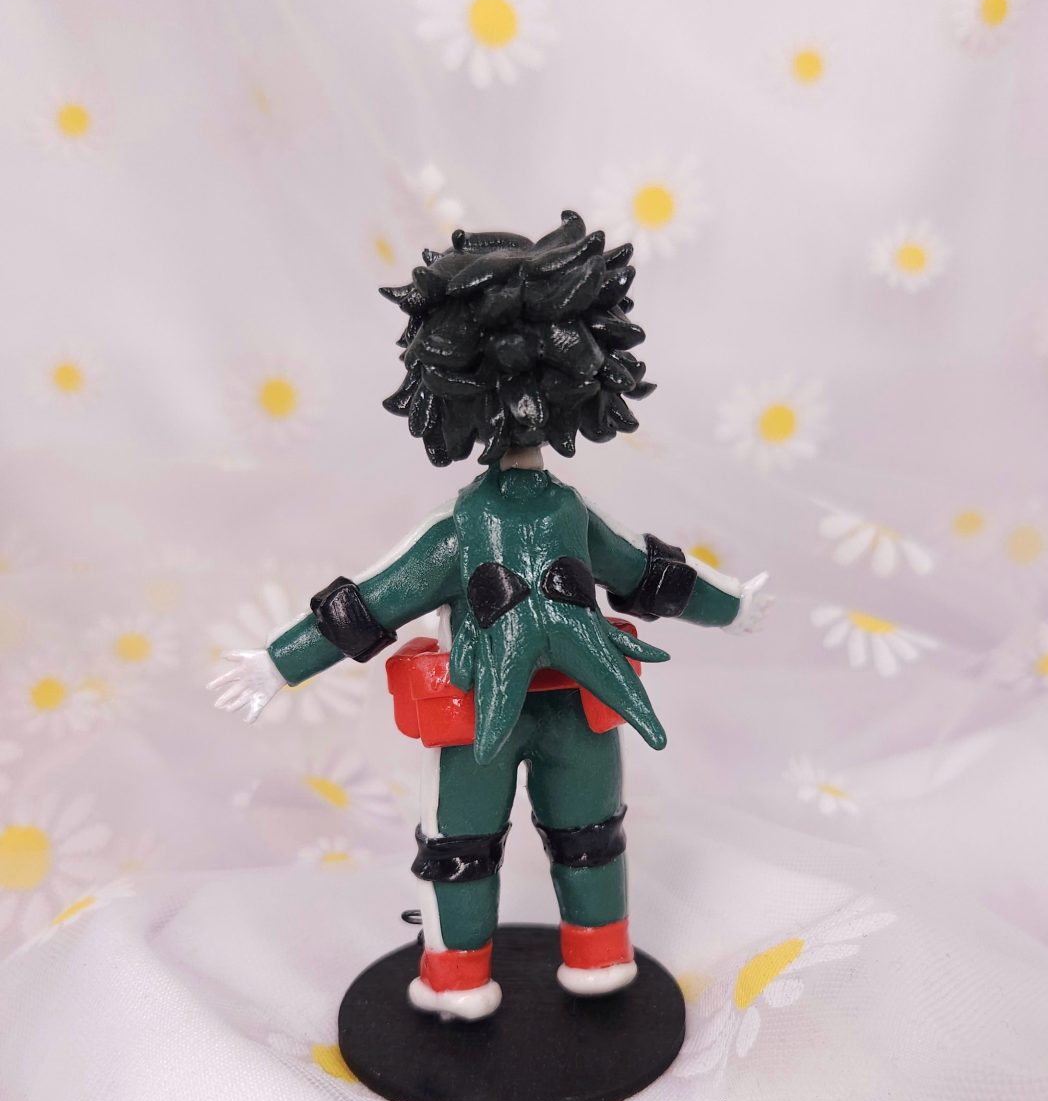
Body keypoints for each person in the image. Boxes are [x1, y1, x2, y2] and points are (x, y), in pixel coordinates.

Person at [209, 210, 768, 1018]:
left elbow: (639, 574)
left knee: (559, 840)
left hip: (551, 712)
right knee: (488, 848)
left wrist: (729, 605)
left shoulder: (532, 519)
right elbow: (377, 600)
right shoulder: (475, 529)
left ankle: (551, 965)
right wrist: (278, 661)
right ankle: (488, 972)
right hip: (486, 713)